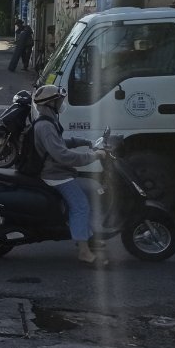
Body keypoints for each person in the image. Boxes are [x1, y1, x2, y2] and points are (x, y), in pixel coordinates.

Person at [30, 85, 109, 266]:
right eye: (59, 101)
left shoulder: (48, 122)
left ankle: (87, 237)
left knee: (91, 191)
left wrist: (85, 142)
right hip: (55, 175)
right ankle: (84, 251)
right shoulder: (45, 126)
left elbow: (60, 143)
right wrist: (93, 156)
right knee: (81, 206)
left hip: (59, 172)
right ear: (51, 104)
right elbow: (62, 155)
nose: (62, 104)